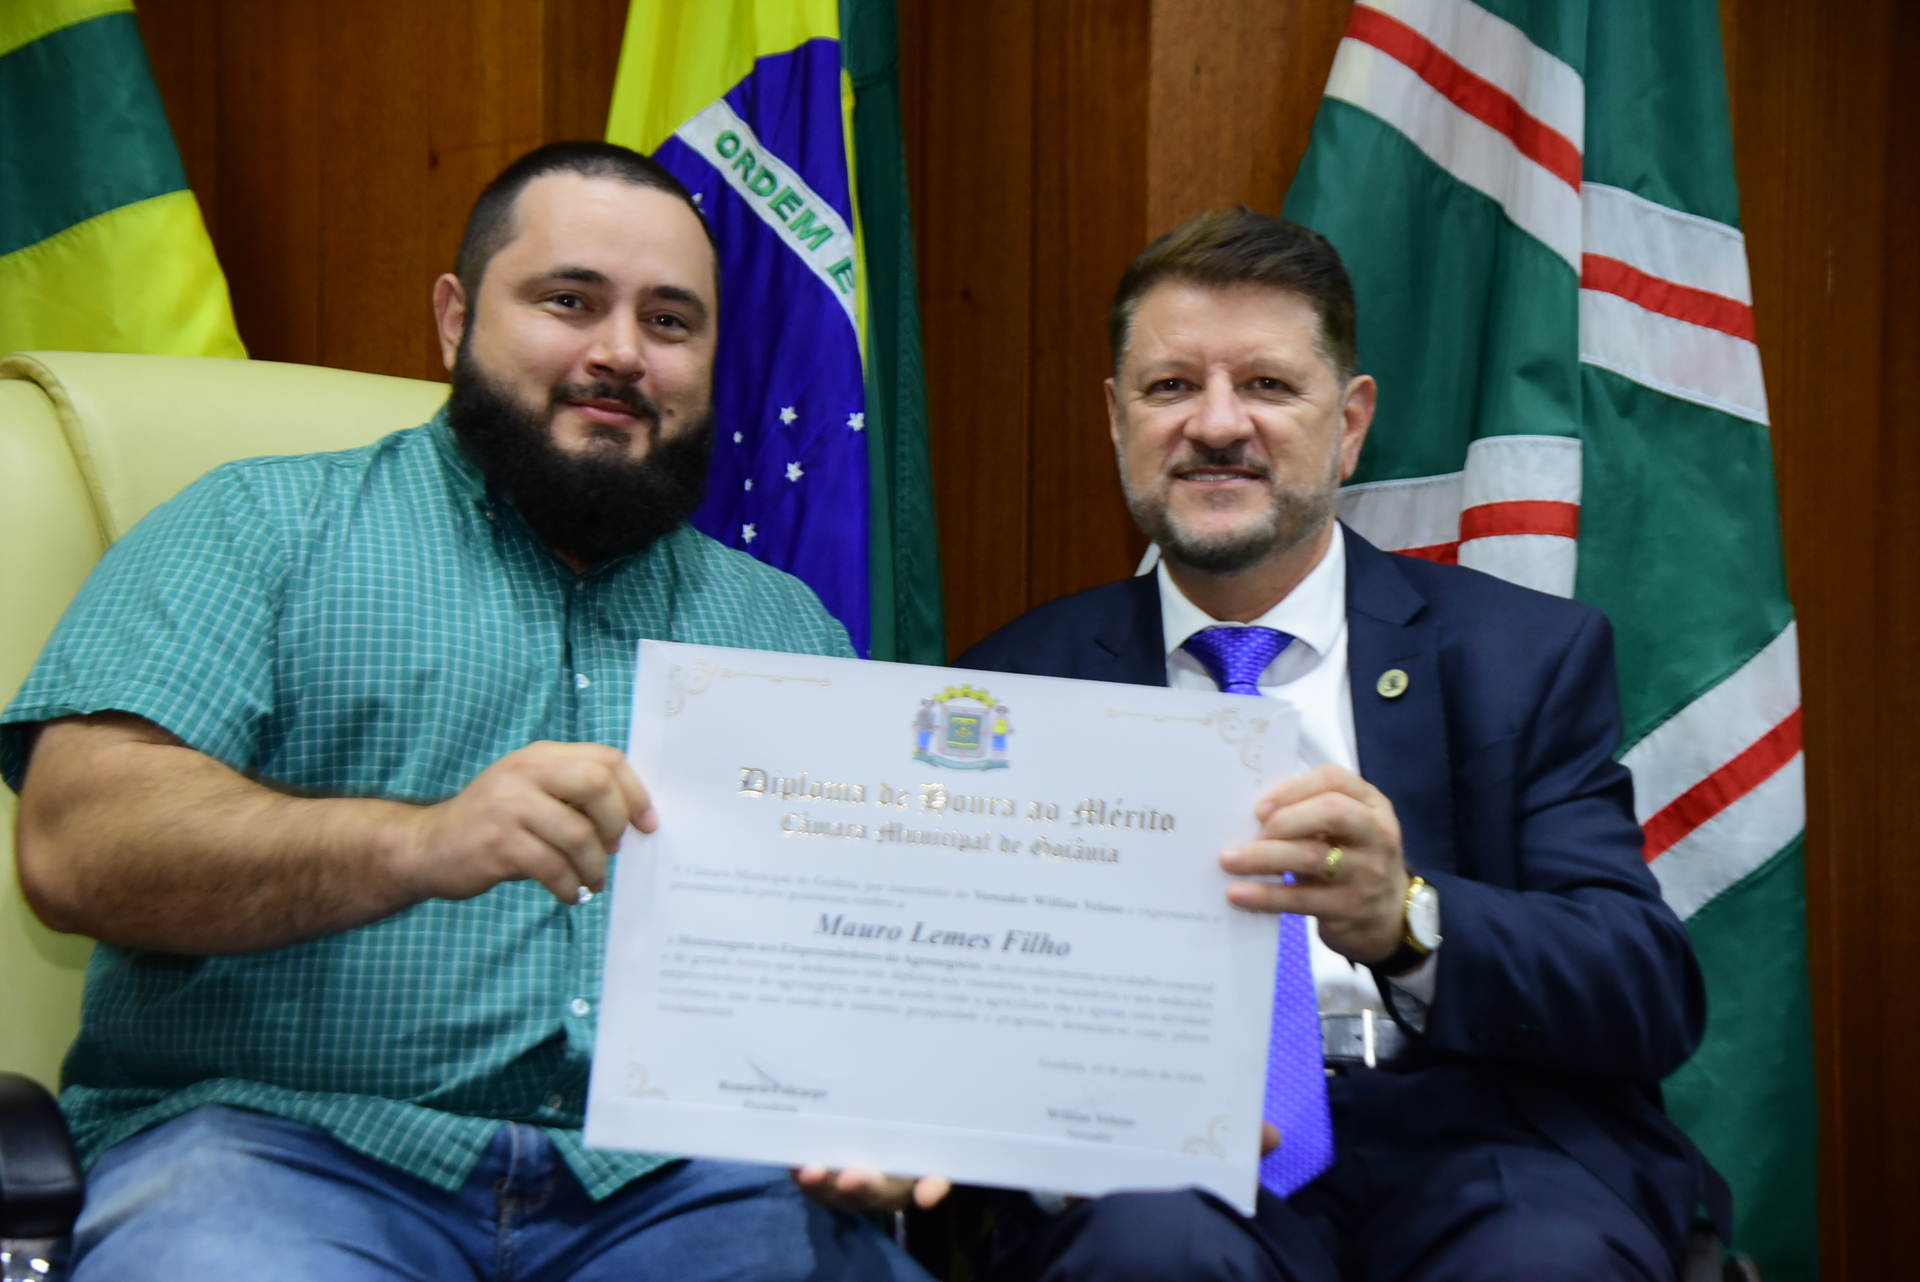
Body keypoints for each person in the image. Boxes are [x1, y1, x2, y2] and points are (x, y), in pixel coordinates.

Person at [4, 141, 933, 1282]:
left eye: (670, 321)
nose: (620, 352)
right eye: (569, 301)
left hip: (678, 1191)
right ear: (455, 320)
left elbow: (854, 957)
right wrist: (419, 845)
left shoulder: (784, 628)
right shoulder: (255, 528)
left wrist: (878, 1114)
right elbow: (77, 846)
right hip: (280, 1155)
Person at [953, 209, 1727, 1282]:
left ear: (1351, 422)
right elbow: (964, 1010)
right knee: (1144, 1252)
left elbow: (1643, 988)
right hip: (1170, 1149)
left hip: (1485, 1134)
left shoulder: (1521, 657)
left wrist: (1409, 920)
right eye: (1171, 386)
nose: (1216, 424)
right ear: (1116, 418)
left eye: (1267, 385)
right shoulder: (1012, 688)